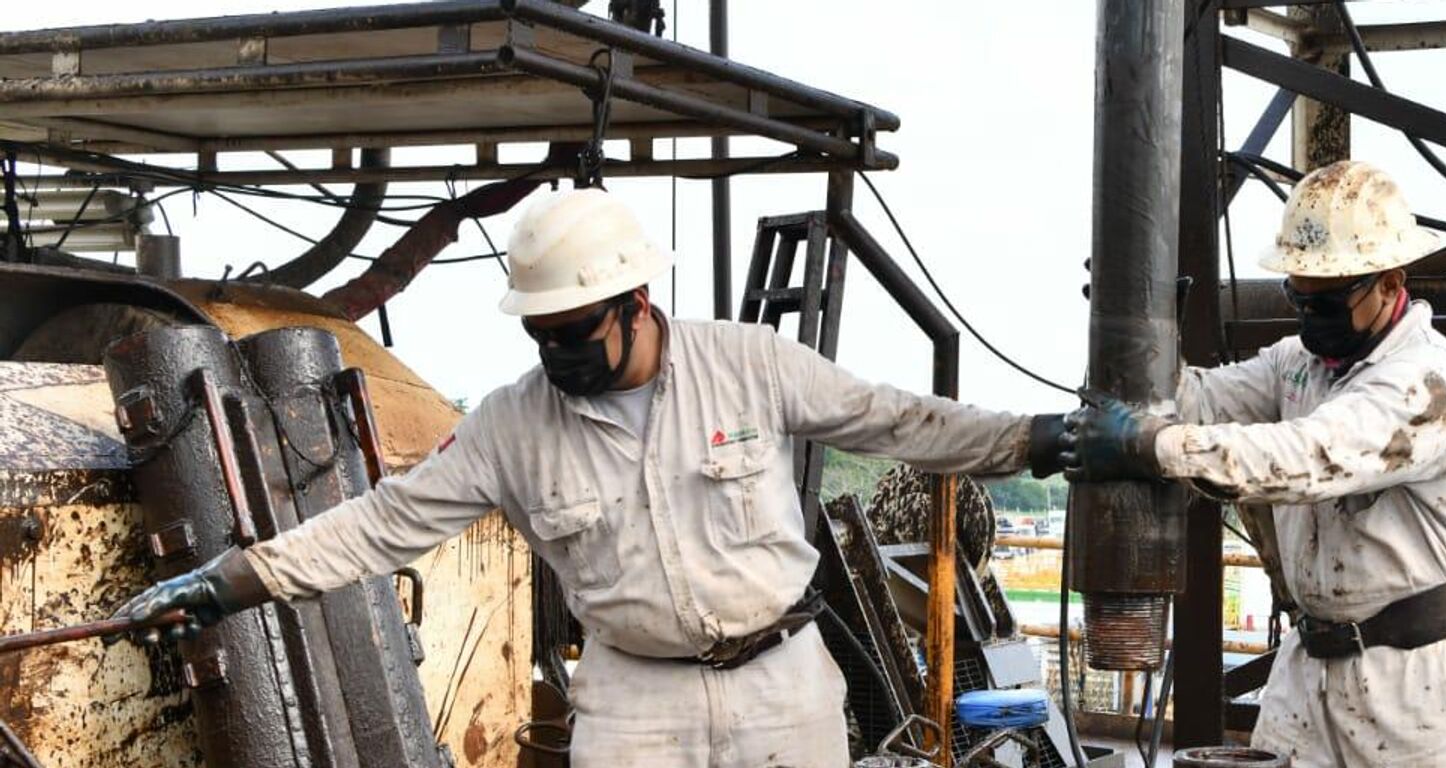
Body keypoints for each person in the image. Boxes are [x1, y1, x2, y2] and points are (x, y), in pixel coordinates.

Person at [107, 187, 1071, 768]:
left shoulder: (752, 364)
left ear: (637, 301)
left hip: (782, 686)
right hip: (634, 700)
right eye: (541, 336)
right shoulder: (510, 426)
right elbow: (379, 525)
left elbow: (902, 420)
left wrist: (1038, 440)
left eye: (574, 333)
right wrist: (232, 580)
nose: (557, 354)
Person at [1062, 161, 1446, 766]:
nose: (1311, 313)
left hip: (1421, 688)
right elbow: (1196, 401)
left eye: (1330, 298)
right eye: (1300, 296)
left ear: (1389, 283)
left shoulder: (1425, 383)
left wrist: (1149, 446)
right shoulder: (1299, 362)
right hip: (1314, 665)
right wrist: (1141, 335)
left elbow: (1307, 457)